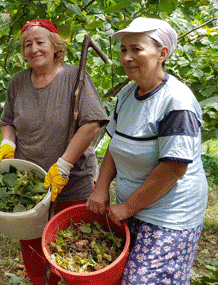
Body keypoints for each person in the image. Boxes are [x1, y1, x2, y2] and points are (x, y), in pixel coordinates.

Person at [86, 17, 207, 285]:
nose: (127, 57)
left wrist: (127, 207)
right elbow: (114, 146)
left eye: (136, 49)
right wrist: (101, 188)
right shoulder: (128, 95)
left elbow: (173, 169)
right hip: (133, 206)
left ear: (162, 53)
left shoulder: (177, 102)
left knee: (143, 280)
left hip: (170, 213)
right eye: (123, 50)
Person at [0, 19, 109, 285]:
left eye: (39, 42)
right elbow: (8, 121)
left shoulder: (74, 77)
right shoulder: (18, 81)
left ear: (55, 46)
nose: (33, 49)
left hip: (72, 184)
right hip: (31, 187)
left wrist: (65, 165)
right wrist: (7, 143)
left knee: (77, 252)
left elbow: (91, 124)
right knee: (35, 255)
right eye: (27, 44)